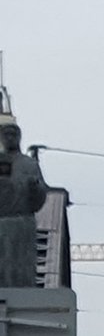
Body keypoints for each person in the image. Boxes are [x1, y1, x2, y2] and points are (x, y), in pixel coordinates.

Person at [0, 118, 50, 287]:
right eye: (6, 135)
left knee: (22, 264)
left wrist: (34, 187)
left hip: (22, 223)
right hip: (2, 220)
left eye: (13, 135)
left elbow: (41, 196)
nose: (10, 138)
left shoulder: (29, 164)